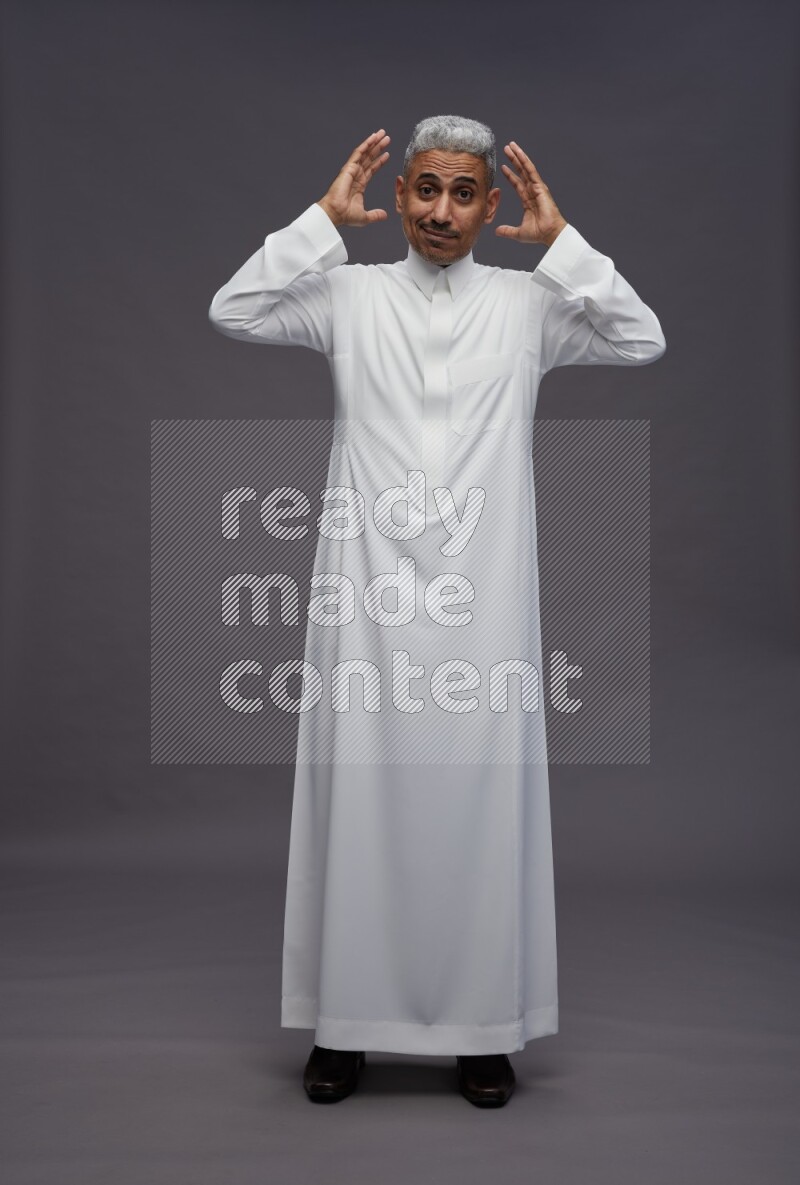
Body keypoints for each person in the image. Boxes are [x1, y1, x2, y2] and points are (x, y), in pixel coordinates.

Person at [208, 115, 666, 1107]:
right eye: (423, 189)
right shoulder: (346, 293)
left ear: (489, 205)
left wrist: (562, 246)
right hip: (363, 597)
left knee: (476, 806)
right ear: (399, 196)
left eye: (463, 193)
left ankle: (481, 1031)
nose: (440, 211)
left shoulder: (527, 307)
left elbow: (641, 336)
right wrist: (318, 226)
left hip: (484, 604)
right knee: (357, 799)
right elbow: (234, 309)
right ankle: (342, 1029)